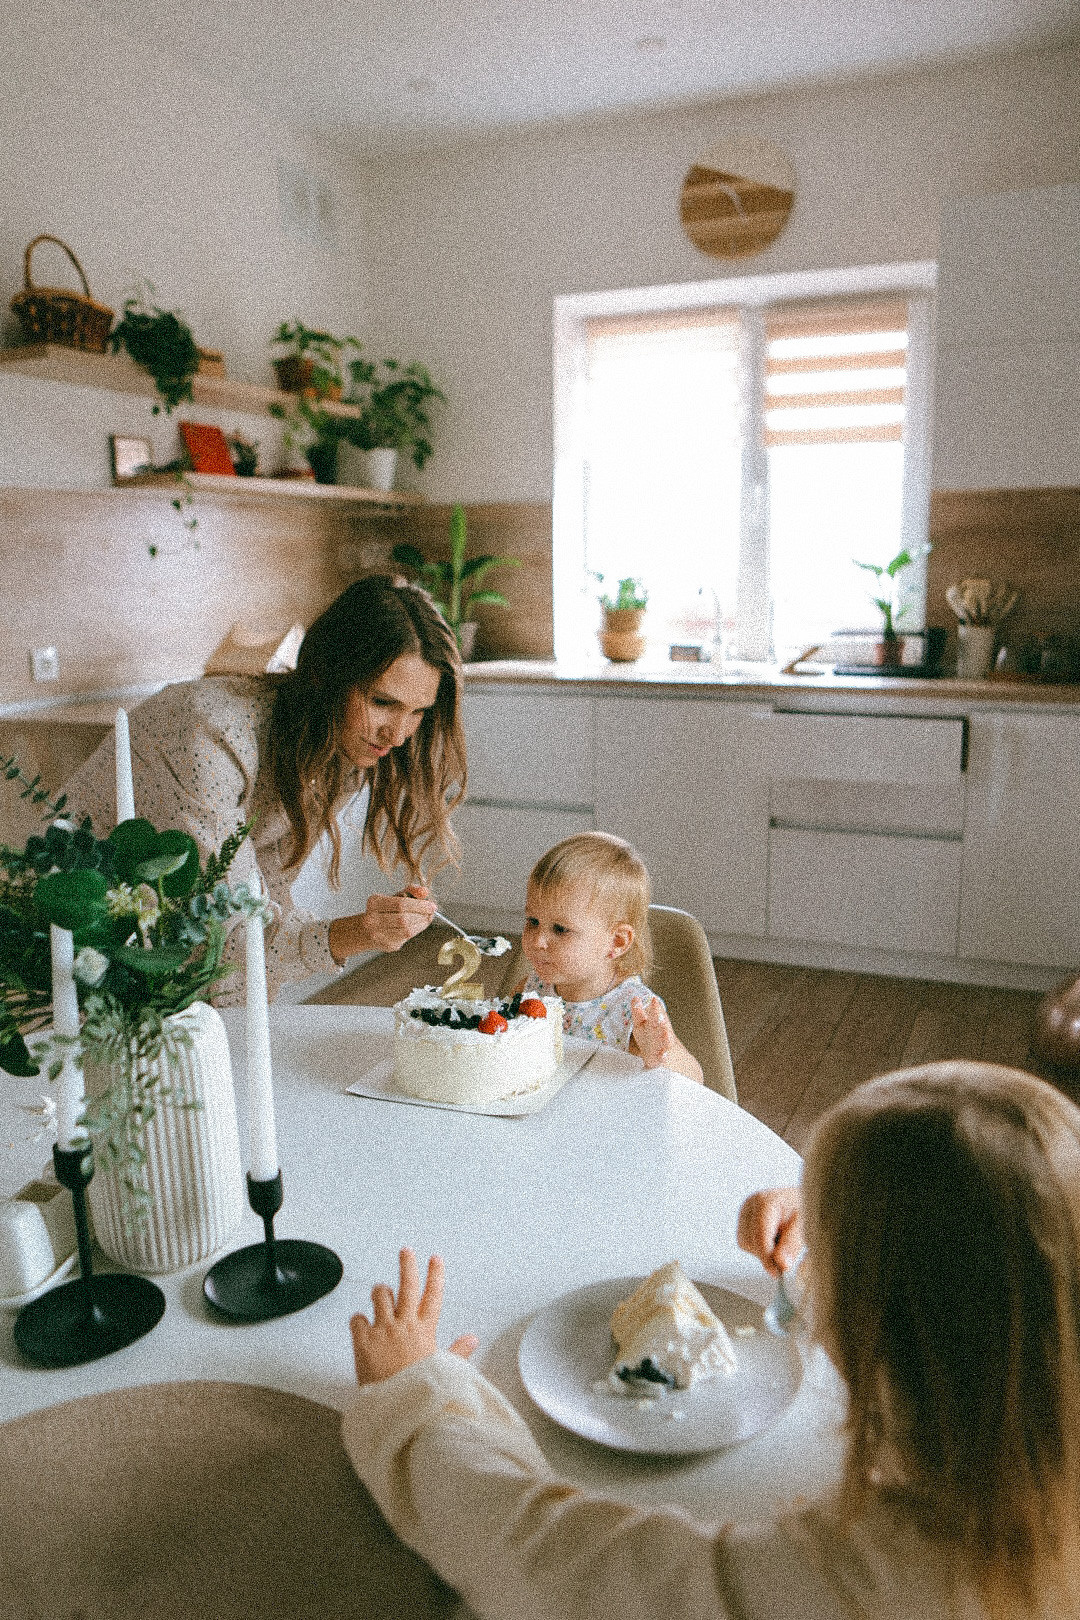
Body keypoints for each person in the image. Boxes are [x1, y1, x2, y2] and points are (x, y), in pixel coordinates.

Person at [342, 1060, 1080, 1620]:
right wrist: (836, 1214)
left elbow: (543, 1558)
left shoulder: (867, 1580)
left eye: (833, 1258)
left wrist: (414, 1396)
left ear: (882, 1336)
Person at [62, 576, 466, 1002]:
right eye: (382, 703)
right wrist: (358, 933)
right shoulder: (214, 738)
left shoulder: (340, 748)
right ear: (326, 677)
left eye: (418, 711)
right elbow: (225, 944)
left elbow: (260, 905)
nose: (399, 734)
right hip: (56, 948)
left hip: (148, 952)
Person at [515, 830, 703, 1083]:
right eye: (533, 921)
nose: (538, 941)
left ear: (617, 942)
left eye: (560, 929)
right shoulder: (532, 990)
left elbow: (694, 1077)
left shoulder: (634, 1009)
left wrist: (658, 1056)